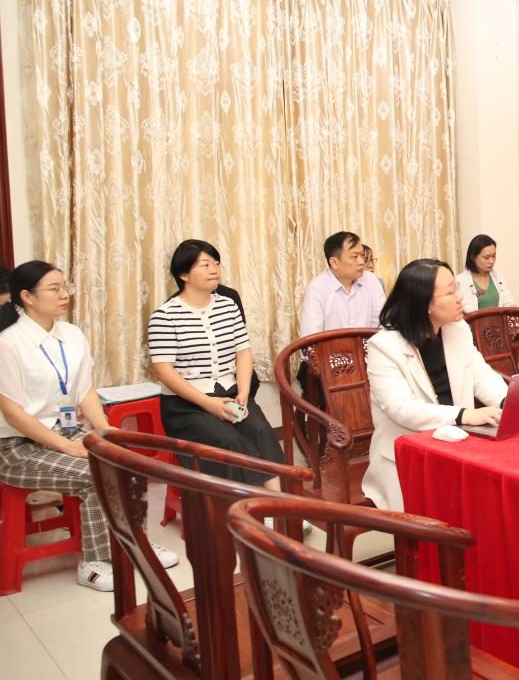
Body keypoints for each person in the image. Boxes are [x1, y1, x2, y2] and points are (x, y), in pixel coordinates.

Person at [1, 261, 177, 592]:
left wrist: (102, 426)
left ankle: (137, 543)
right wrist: (68, 447)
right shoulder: (8, 344)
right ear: (27, 296)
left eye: (65, 286)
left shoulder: (72, 335)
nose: (64, 294)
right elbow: (13, 414)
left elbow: (85, 391)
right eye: (54, 289)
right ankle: (95, 561)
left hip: (67, 431)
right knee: (94, 473)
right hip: (17, 446)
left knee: (128, 462)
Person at [363, 259, 506, 510]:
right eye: (450, 292)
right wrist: (464, 415)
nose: (460, 297)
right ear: (423, 304)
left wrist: (508, 402)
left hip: (458, 446)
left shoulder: (457, 329)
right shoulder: (384, 347)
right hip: (408, 457)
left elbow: (481, 376)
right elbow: (401, 409)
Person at [148, 240, 286, 487]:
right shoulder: (165, 316)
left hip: (230, 393)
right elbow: (163, 371)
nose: (214, 269)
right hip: (186, 404)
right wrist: (208, 403)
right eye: (205, 265)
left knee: (262, 432)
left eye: (216, 263)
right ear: (184, 274)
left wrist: (243, 392)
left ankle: (278, 502)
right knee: (228, 442)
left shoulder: (228, 305)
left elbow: (243, 353)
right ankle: (247, 504)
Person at [299, 231, 386, 337]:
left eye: (362, 255)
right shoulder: (317, 288)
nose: (362, 261)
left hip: (368, 346)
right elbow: (311, 337)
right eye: (355, 256)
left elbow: (382, 323)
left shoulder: (371, 280)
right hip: (330, 348)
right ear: (334, 262)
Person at [455, 234, 516, 313]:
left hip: (499, 321)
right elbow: (469, 310)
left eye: (494, 256)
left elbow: (509, 303)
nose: (491, 261)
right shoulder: (461, 280)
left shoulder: (498, 276)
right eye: (486, 257)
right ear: (473, 257)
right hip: (477, 321)